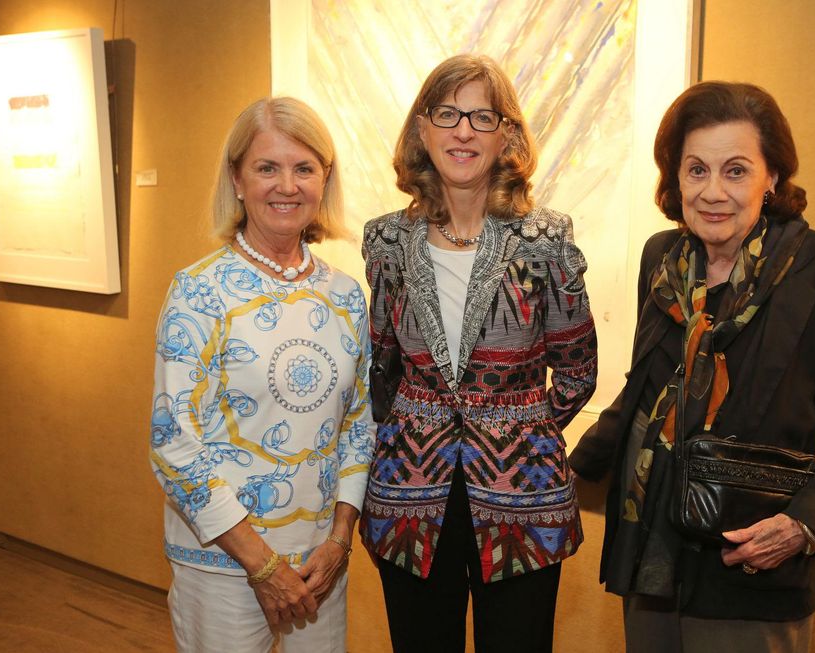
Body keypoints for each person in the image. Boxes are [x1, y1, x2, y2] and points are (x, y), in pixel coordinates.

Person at [569, 81, 815, 653]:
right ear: (676, 179)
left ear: (773, 178)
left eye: (735, 170)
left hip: (753, 573)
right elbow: (644, 390)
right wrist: (554, 474)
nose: (713, 191)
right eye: (696, 170)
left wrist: (801, 528)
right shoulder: (661, 261)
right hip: (651, 564)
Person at [359, 54, 597, 653]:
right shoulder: (387, 240)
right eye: (448, 114)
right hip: (409, 494)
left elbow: (577, 371)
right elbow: (381, 366)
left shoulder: (546, 240)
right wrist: (420, 428)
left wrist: (514, 424)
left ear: (506, 134)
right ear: (422, 130)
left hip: (523, 495)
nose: (463, 131)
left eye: (481, 117)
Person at [150, 97, 374, 653]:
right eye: (267, 168)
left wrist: (341, 540)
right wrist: (261, 563)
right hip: (224, 564)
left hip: (322, 563)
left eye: (304, 168)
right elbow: (172, 440)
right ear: (237, 178)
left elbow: (359, 424)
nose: (287, 185)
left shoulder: (346, 295)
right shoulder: (199, 291)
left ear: (324, 180)